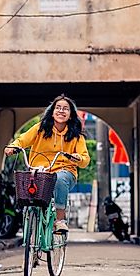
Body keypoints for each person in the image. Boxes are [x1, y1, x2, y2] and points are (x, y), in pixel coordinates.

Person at [5, 94, 90, 234]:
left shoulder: (76, 135)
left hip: (65, 172)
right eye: (58, 108)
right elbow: (23, 140)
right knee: (28, 185)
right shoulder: (40, 128)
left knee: (60, 179)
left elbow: (85, 159)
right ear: (52, 112)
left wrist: (77, 158)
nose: (61, 111)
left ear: (70, 115)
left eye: (65, 109)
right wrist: (13, 146)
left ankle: (60, 220)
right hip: (40, 171)